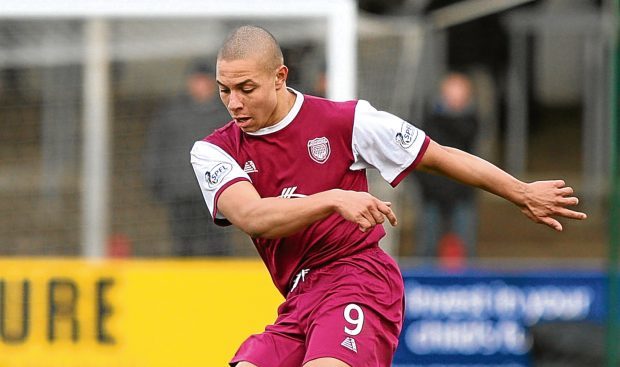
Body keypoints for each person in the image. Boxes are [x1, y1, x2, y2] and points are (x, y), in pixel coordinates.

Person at [190, 25, 586, 367]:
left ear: (279, 76)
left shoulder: (347, 121)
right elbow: (253, 216)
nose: (234, 103)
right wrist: (333, 198)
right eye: (225, 90)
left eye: (246, 88)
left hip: (357, 277)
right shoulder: (213, 151)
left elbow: (439, 156)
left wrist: (519, 191)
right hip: (298, 296)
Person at [144, 60, 234, 256]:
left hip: (216, 193)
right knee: (183, 244)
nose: (200, 86)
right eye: (196, 81)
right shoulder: (172, 113)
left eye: (205, 81)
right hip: (181, 193)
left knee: (216, 244)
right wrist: (156, 180)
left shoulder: (226, 114)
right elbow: (157, 148)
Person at [416, 71, 479, 258]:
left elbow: (464, 136)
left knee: (465, 248)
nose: (454, 96)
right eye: (451, 90)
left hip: (461, 194)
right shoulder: (427, 121)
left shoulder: (471, 122)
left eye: (459, 91)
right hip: (432, 194)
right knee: (427, 247)